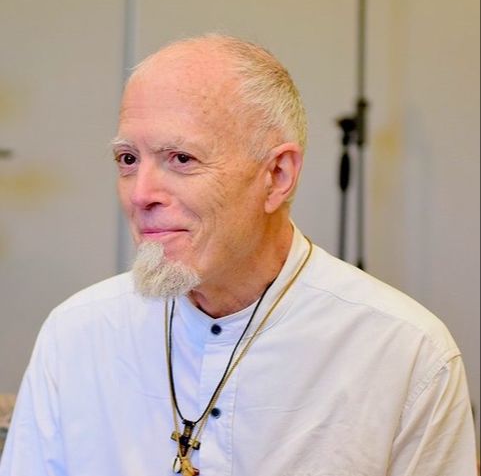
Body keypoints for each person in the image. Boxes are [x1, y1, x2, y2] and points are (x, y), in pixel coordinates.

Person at [0, 34, 477, 476]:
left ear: (277, 176)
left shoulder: (407, 354)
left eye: (181, 159)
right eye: (128, 159)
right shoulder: (76, 335)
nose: (140, 194)